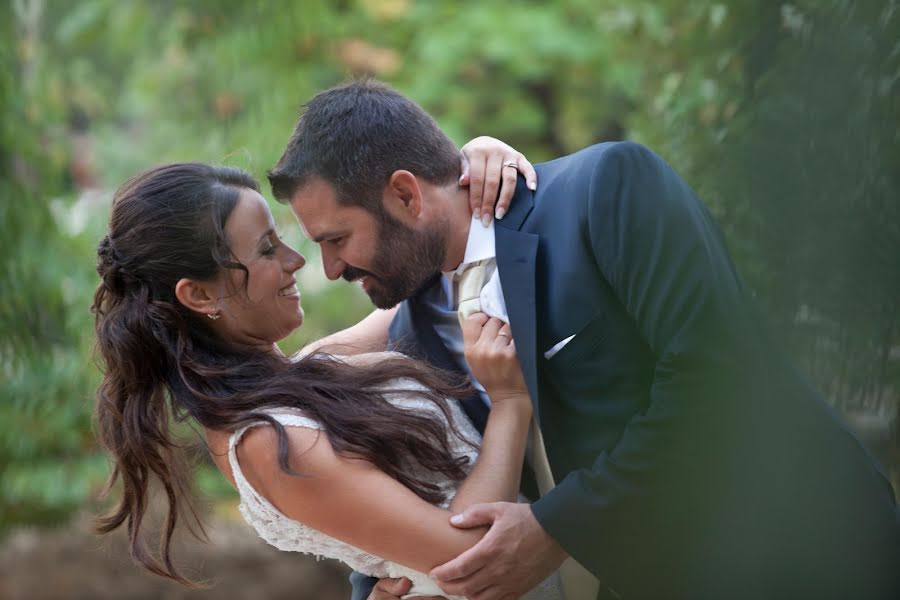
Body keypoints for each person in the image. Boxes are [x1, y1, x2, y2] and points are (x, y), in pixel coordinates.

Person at [267, 79, 900, 600]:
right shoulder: (416, 333)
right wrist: (375, 589)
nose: (330, 269)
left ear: (406, 194)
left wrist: (557, 527)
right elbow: (415, 485)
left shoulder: (605, 190)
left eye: (334, 239)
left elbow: (717, 376)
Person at [91, 145, 568, 598]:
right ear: (199, 295)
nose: (297, 261)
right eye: (265, 249)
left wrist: (470, 166)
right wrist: (510, 402)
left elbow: (431, 268)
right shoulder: (268, 442)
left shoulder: (313, 375)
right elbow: (472, 555)